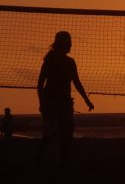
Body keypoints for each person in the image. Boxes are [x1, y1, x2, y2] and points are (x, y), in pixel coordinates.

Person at [36, 31, 94, 169]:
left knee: (67, 132)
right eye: (69, 43)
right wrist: (42, 103)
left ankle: (62, 161)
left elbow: (76, 82)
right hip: (52, 102)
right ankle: (40, 158)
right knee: (52, 133)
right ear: (63, 44)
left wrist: (86, 100)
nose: (71, 45)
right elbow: (40, 85)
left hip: (65, 102)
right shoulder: (49, 61)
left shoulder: (70, 62)